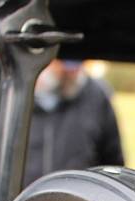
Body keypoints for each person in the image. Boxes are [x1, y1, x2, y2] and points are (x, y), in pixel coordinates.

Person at [24, 60, 124, 188]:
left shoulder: (96, 96)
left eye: (75, 66)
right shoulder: (15, 93)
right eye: (63, 65)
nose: (71, 72)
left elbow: (113, 164)